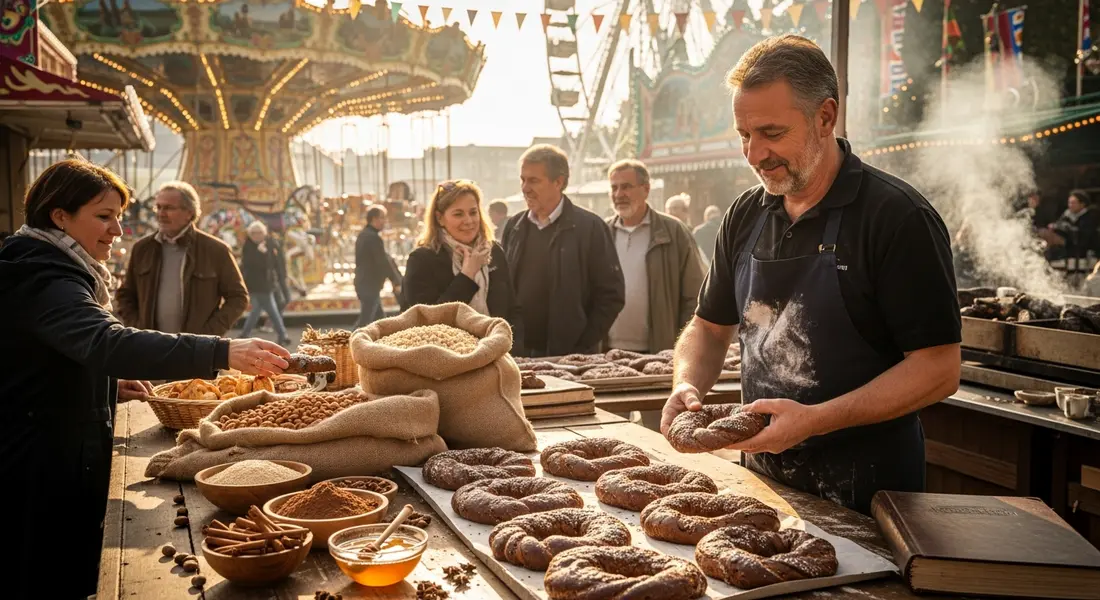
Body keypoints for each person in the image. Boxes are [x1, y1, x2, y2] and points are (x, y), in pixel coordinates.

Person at [660, 35, 962, 516]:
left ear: (826, 117)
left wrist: (815, 420)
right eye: (744, 135)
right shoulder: (745, 215)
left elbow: (939, 368)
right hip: (762, 484)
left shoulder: (897, 217)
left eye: (771, 133)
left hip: (872, 491)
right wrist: (685, 382)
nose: (754, 154)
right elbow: (708, 329)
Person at [0, 158, 291, 599]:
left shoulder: (48, 265)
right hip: (40, 465)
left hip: (54, 450)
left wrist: (106, 388)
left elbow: (49, 361)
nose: (117, 229)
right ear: (59, 216)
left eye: (118, 215)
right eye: (103, 216)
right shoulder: (45, 277)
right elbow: (105, 343)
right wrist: (221, 350)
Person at [501, 144, 625, 357]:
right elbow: (504, 290)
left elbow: (611, 295)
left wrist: (582, 345)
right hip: (518, 354)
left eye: (533, 180)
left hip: (570, 357)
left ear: (558, 182)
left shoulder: (590, 228)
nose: (525, 188)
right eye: (523, 179)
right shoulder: (514, 227)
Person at [114, 181, 248, 335]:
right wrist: (137, 328)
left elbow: (238, 297)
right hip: (150, 350)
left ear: (189, 212)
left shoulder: (215, 250)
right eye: (158, 207)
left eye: (169, 208)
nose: (161, 213)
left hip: (196, 351)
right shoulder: (143, 249)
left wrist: (210, 334)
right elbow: (125, 295)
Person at [605, 159, 705, 353]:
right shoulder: (602, 233)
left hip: (660, 352)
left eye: (626, 187)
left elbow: (695, 296)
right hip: (607, 352)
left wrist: (682, 346)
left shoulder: (674, 232)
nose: (619, 194)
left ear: (646, 189)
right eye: (614, 188)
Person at [404, 180, 523, 343]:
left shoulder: (493, 252)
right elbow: (427, 322)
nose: (468, 221)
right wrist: (467, 275)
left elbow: (512, 309)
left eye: (473, 212)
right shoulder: (422, 260)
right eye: (458, 214)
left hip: (498, 353)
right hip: (449, 358)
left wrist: (512, 351)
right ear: (440, 218)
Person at [239, 221, 292, 345]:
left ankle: (244, 334)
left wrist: (283, 277)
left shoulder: (270, 243)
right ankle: (282, 334)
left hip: (267, 282)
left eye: (259, 233)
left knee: (257, 310)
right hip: (255, 283)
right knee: (271, 310)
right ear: (250, 234)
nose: (256, 236)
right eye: (254, 233)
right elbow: (248, 264)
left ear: (264, 233)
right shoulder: (248, 245)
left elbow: (275, 263)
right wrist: (260, 253)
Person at [354, 205, 402, 328]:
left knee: (380, 321)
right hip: (369, 285)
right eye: (382, 218)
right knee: (364, 323)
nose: (384, 221)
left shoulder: (366, 235)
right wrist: (396, 281)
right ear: (374, 219)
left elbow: (384, 259)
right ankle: (349, 344)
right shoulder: (372, 237)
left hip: (367, 284)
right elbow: (382, 262)